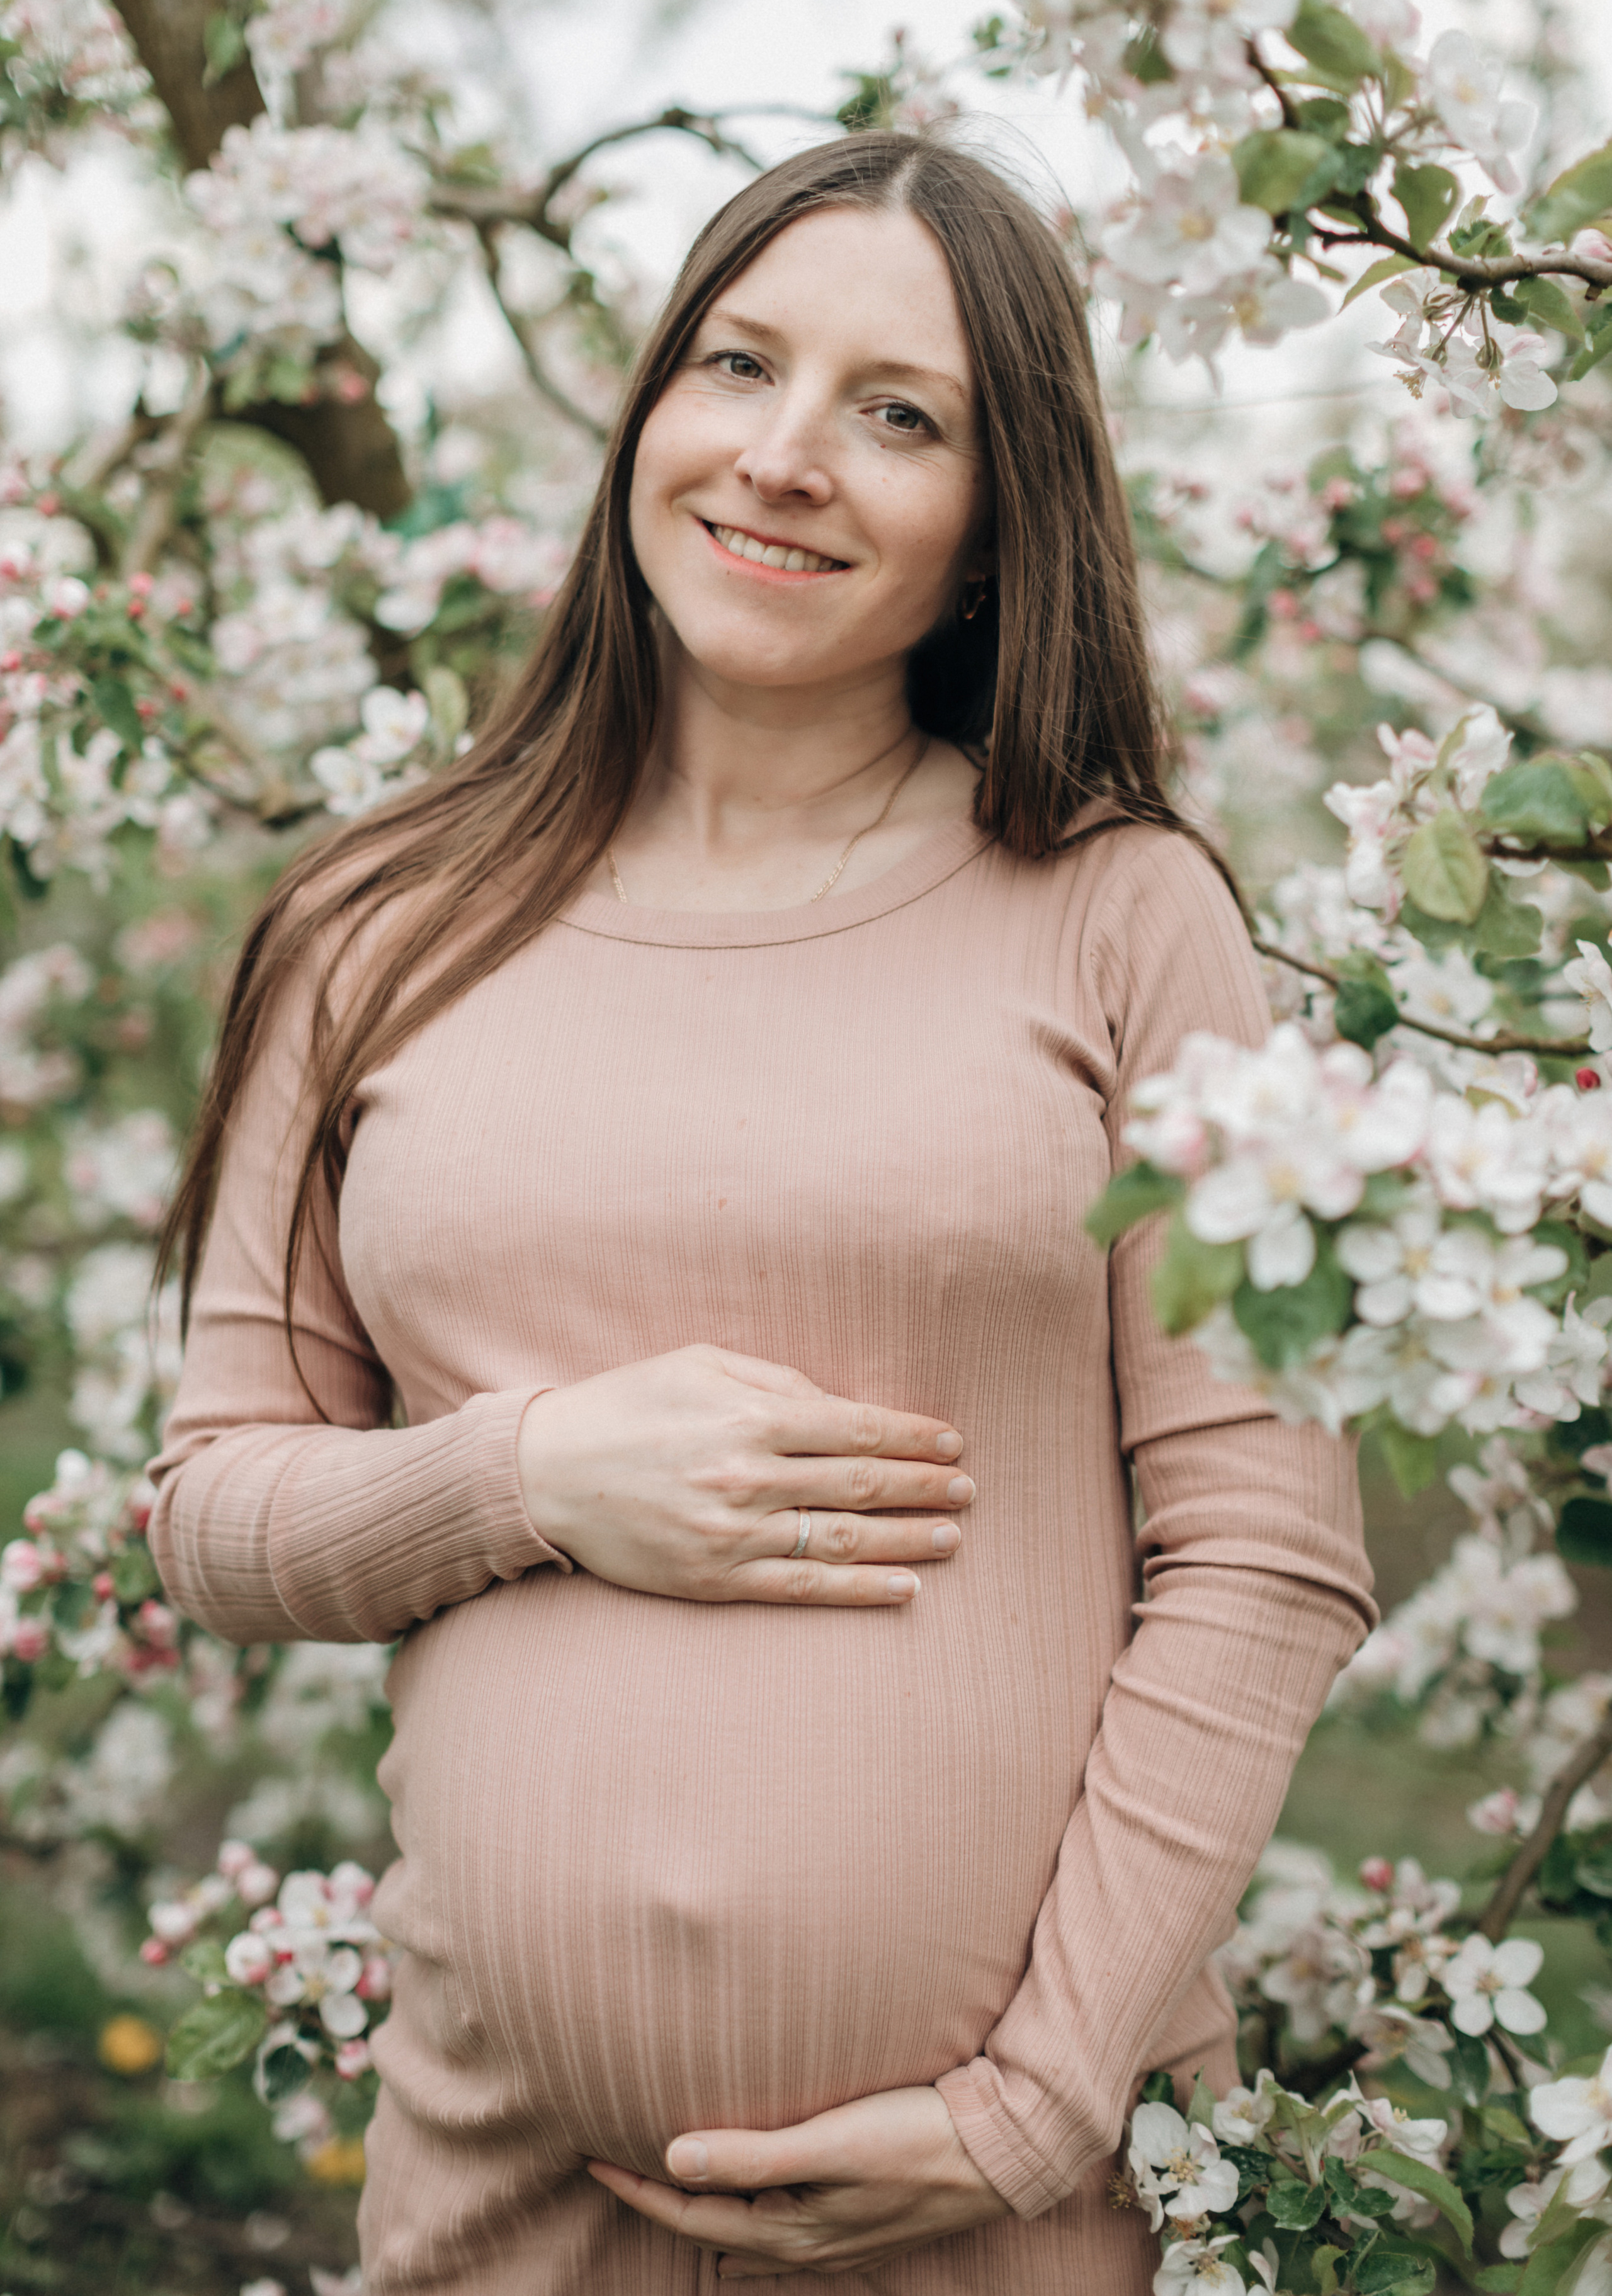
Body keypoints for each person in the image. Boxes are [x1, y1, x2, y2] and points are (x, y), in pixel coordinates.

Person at [150, 128, 1375, 2292]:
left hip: (1014, 2219)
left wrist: (1036, 2104)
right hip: (506, 2207)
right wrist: (530, 1476)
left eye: (900, 416)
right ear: (650, 411)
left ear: (999, 523)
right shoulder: (377, 922)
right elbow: (213, 1514)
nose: (785, 456)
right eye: (738, 364)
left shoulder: (1120, 912)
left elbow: (1266, 1556)